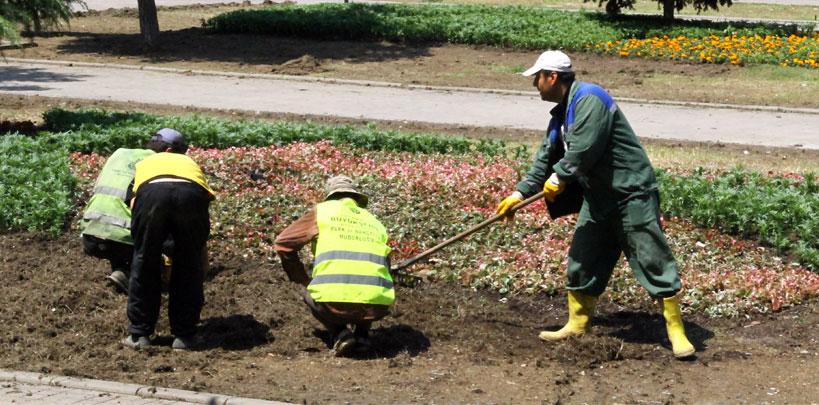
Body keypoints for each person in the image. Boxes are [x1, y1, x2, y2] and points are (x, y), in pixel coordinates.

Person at [495, 50, 695, 359]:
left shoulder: (591, 98)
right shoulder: (560, 116)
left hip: (631, 193)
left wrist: (561, 177)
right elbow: (545, 160)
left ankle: (676, 330)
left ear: (553, 77)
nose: (534, 83)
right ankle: (578, 324)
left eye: (537, 77)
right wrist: (519, 194)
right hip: (599, 198)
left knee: (652, 257)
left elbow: (587, 146)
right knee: (583, 258)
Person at [274, 175, 393, 357]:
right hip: (378, 305)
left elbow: (283, 243)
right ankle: (362, 335)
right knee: (366, 284)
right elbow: (386, 263)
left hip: (333, 303)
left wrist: (301, 278)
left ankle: (340, 333)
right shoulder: (375, 222)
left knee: (309, 290)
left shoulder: (323, 212)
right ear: (356, 198)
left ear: (331, 196)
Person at [122, 128, 215, 351]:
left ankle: (140, 335)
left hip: (151, 194)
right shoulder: (190, 164)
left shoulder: (146, 165)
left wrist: (152, 242)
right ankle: (185, 336)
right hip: (192, 195)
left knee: (144, 262)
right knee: (188, 266)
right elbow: (200, 204)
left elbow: (133, 203)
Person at [80, 140, 165, 293]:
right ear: (169, 151)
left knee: (119, 240)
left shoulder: (119, 153)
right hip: (122, 239)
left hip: (90, 236)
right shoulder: (157, 163)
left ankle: (120, 271)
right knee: (154, 256)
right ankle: (129, 275)